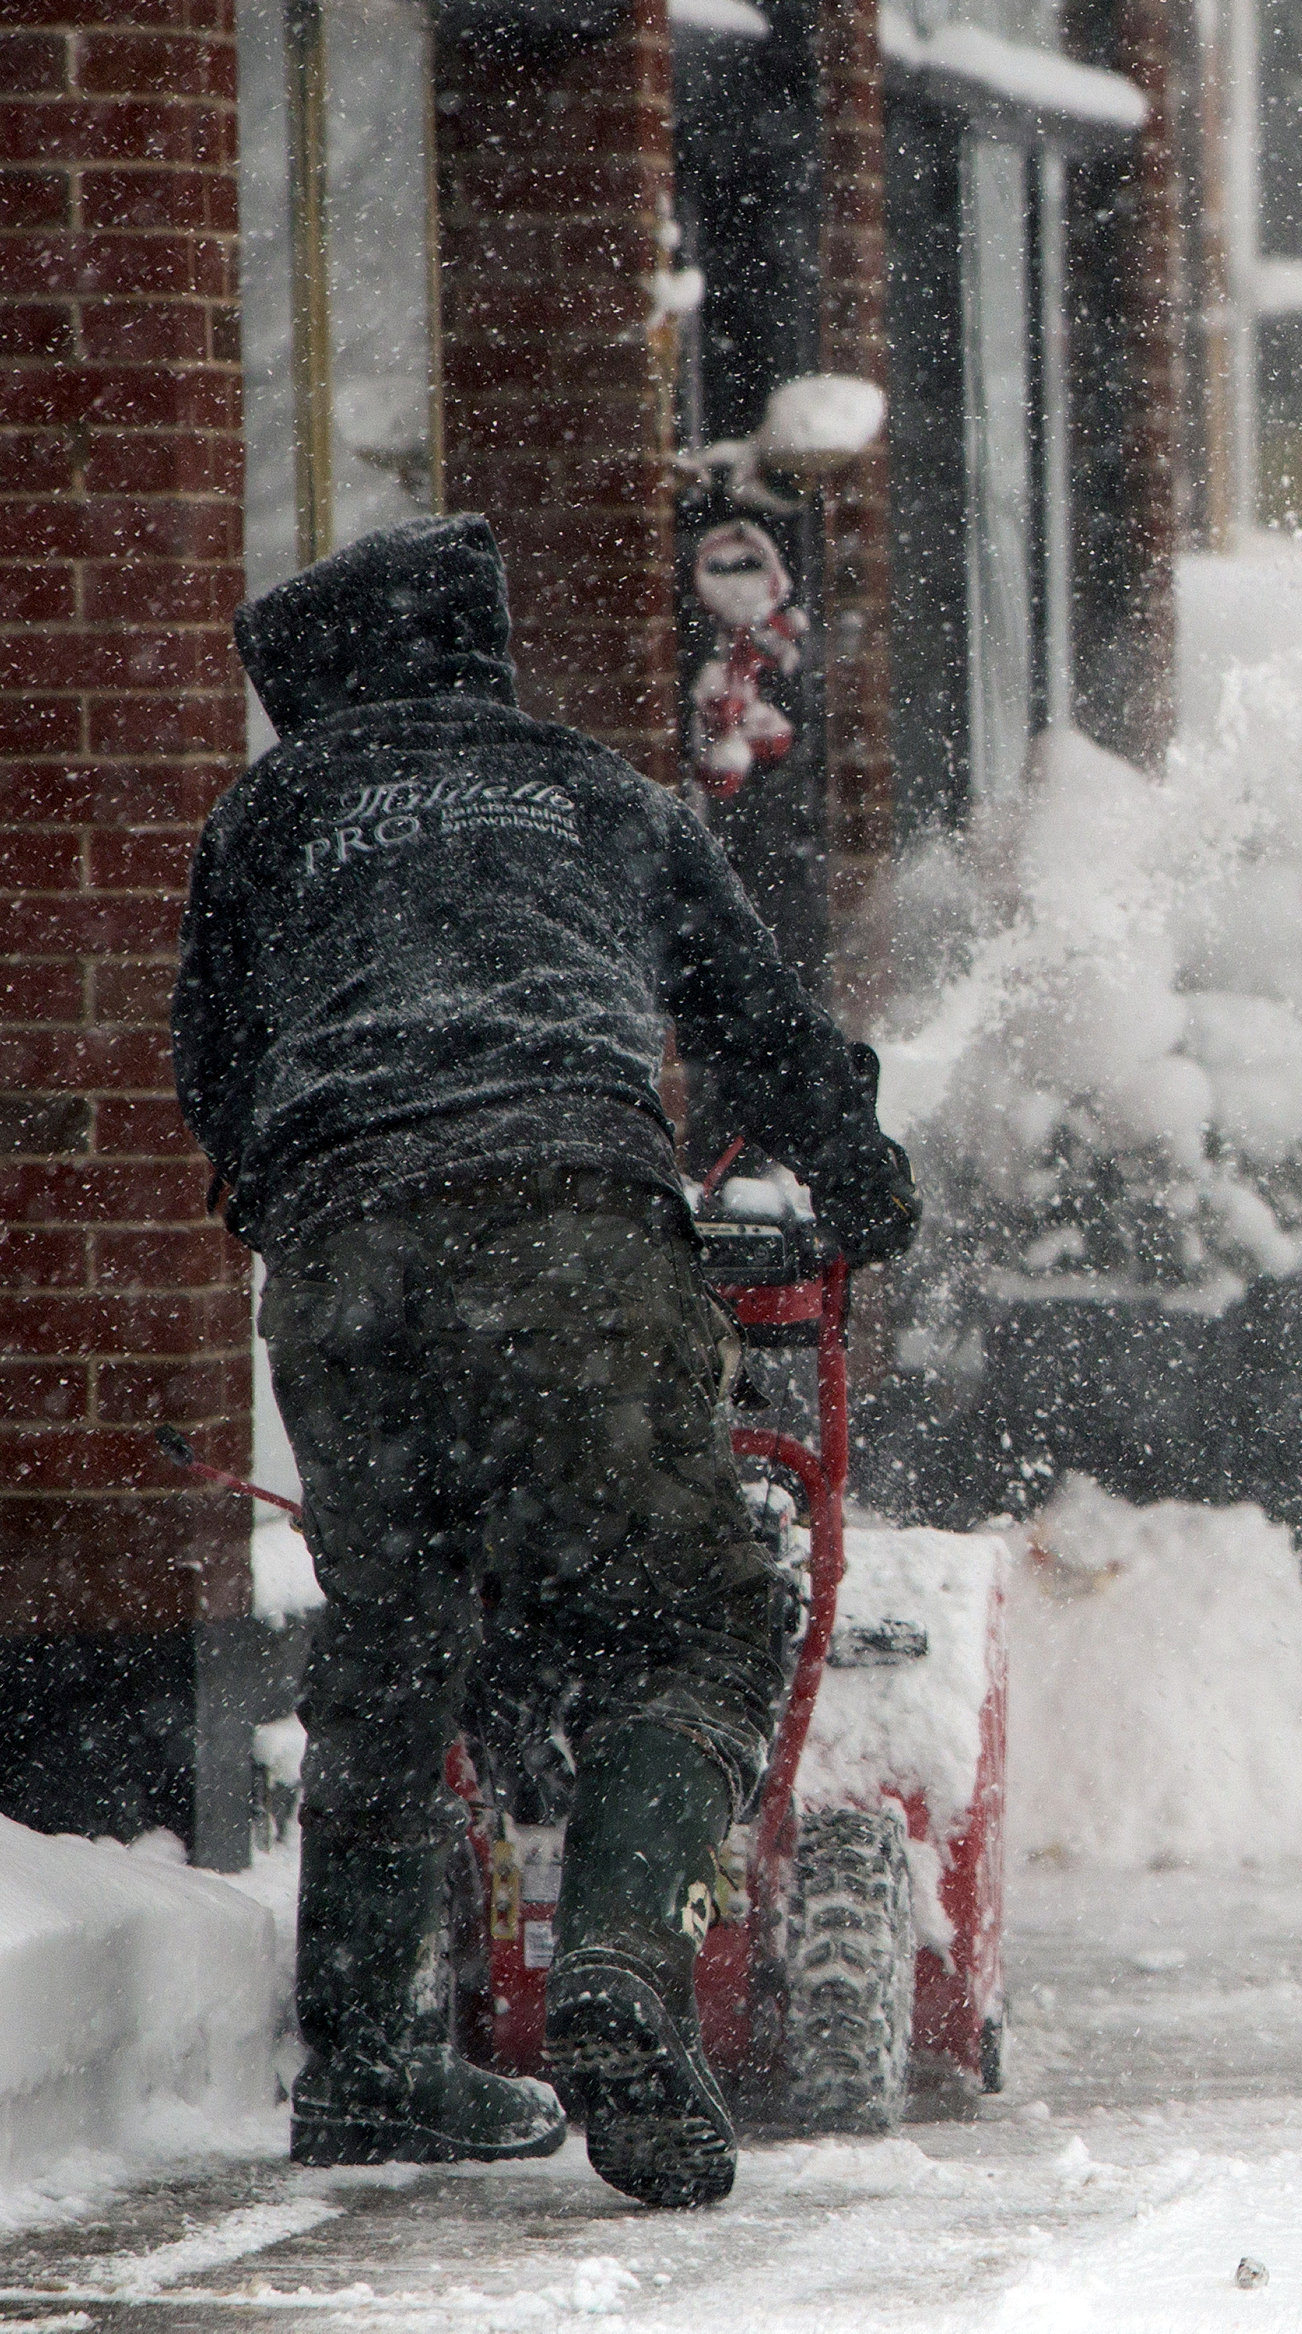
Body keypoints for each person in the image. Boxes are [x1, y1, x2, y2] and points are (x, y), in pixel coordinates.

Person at [173, 516, 918, 2208]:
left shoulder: (268, 817)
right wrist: (861, 1173)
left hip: (341, 1237)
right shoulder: (598, 793)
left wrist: (315, 1193)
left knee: (395, 1627)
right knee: (698, 1608)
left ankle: (368, 2059)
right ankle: (620, 1968)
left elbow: (209, 1066)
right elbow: (756, 1024)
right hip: (569, 1218)